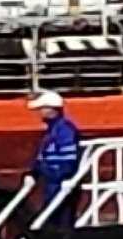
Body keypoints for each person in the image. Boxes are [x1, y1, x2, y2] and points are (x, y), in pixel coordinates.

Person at [26, 89, 86, 219]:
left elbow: (67, 163)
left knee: (59, 221)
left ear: (51, 109)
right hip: (53, 183)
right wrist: (33, 172)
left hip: (60, 184)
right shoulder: (54, 130)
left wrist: (42, 169)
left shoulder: (64, 130)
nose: (40, 112)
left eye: (42, 108)